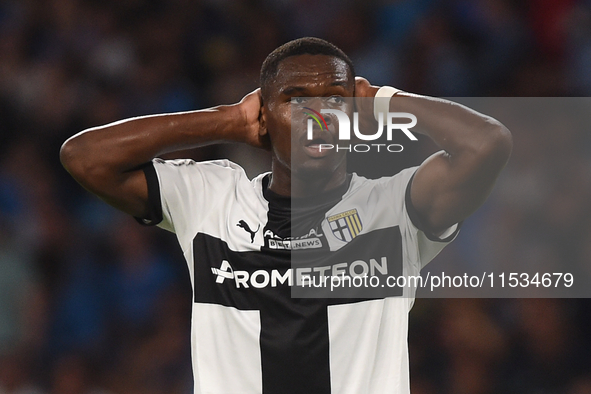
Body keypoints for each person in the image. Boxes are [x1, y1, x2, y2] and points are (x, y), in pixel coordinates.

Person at [60, 37, 512, 394]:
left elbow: (488, 144)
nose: (316, 116)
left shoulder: (396, 208)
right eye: (294, 100)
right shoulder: (210, 197)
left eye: (334, 100)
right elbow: (85, 157)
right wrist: (227, 121)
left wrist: (379, 99)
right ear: (265, 114)